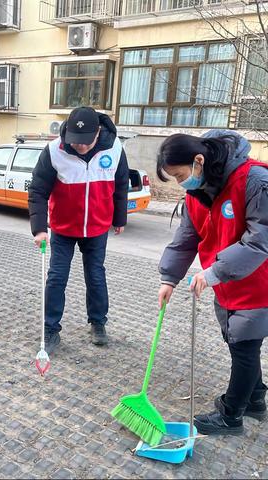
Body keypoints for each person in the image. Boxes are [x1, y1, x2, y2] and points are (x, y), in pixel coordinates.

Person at [157, 130, 268, 436]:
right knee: (238, 343)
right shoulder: (197, 193)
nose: (181, 183)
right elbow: (187, 239)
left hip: (259, 280)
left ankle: (232, 416)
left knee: (245, 347)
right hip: (226, 281)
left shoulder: (254, 180)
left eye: (181, 175)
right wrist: (170, 278)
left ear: (199, 160)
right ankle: (256, 399)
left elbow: (259, 242)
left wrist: (213, 272)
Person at [28, 107, 129, 354]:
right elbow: (38, 190)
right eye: (75, 142)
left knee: (96, 276)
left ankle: (98, 323)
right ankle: (50, 329)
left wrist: (119, 217)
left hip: (96, 227)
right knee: (56, 278)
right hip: (63, 228)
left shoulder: (114, 148)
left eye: (85, 142)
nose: (80, 147)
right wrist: (39, 229)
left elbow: (121, 184)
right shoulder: (54, 151)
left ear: (98, 132)